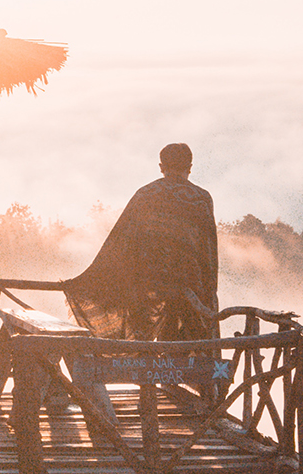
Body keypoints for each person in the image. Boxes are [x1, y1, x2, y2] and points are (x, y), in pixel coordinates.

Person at [64, 143, 219, 344]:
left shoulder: (146, 194)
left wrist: (88, 280)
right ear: (190, 167)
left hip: (149, 285)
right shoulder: (201, 199)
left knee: (142, 335)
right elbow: (208, 249)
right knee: (187, 340)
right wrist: (208, 294)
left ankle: (144, 362)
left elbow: (121, 240)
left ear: (161, 166)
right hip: (190, 286)